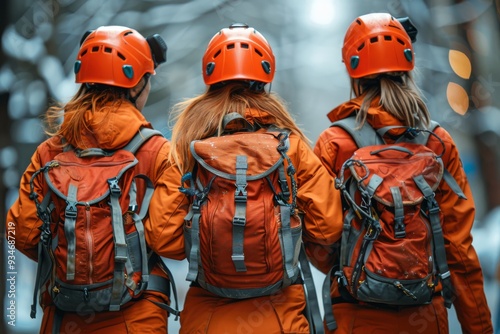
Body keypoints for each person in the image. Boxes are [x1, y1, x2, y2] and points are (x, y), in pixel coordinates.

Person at [144, 23, 343, 333]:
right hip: (281, 319)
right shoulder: (289, 147)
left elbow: (163, 239)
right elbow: (328, 228)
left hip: (206, 320)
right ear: (265, 79)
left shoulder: (189, 148)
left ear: (209, 79)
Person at [313, 13, 493, 334]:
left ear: (353, 71)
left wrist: (356, 265)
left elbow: (319, 240)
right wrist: (478, 327)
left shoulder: (335, 143)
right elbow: (459, 251)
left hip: (354, 317)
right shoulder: (436, 142)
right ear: (408, 65)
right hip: (425, 314)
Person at [6, 25, 173, 333]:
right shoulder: (156, 150)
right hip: (137, 319)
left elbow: (21, 232)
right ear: (137, 85)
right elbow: (170, 240)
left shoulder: (49, 151)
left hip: (64, 316)